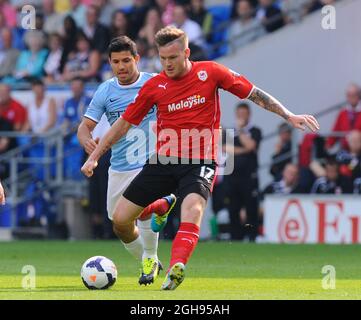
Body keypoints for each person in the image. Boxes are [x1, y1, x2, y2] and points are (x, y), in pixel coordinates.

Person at [81, 26, 320, 290]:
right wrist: (94, 157)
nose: (168, 64)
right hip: (164, 160)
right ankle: (160, 206)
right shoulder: (155, 86)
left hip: (200, 161)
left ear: (186, 52)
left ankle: (176, 267)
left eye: (173, 57)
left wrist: (289, 115)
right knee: (121, 220)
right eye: (163, 58)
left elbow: (253, 93)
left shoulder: (211, 72)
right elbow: (122, 125)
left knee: (192, 210)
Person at [77, 36, 176, 285]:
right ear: (109, 63)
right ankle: (149, 258)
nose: (121, 67)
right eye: (116, 62)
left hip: (151, 161)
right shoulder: (105, 90)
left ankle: (150, 254)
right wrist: (87, 141)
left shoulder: (156, 83)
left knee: (139, 210)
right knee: (119, 223)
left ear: (137, 59)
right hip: (119, 165)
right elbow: (84, 126)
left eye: (126, 61)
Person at [224, 102, 262, 241]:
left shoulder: (255, 131)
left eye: (244, 114)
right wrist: (244, 150)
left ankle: (252, 237)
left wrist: (241, 131)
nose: (241, 116)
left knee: (251, 208)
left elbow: (251, 145)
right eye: (239, 114)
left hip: (249, 177)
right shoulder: (229, 132)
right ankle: (235, 239)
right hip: (232, 177)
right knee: (233, 209)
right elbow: (225, 149)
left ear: (249, 115)